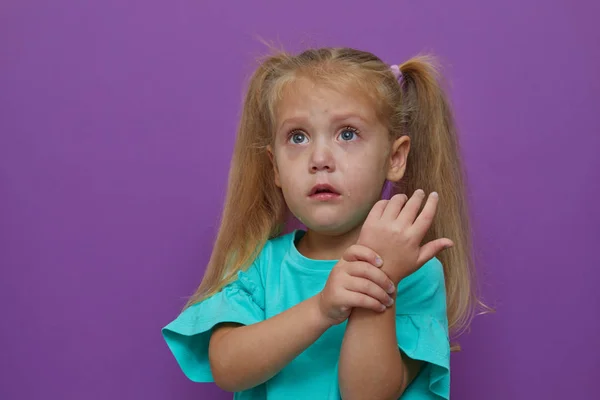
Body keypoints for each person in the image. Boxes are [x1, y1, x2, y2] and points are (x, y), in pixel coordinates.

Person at [162, 46, 483, 399]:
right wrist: (320, 309)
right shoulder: (255, 263)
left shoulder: (416, 271)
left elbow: (367, 394)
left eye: (347, 134)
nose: (319, 159)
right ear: (275, 167)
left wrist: (380, 282)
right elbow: (227, 368)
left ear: (394, 157)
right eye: (297, 137)